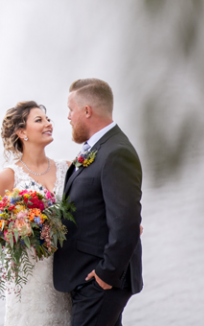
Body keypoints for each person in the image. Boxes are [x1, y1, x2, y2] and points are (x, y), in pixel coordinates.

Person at [53, 78, 143, 326]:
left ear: (87, 111)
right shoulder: (97, 149)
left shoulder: (116, 153)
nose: (68, 117)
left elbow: (126, 222)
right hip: (88, 278)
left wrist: (107, 274)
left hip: (101, 282)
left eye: (71, 110)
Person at [0, 101, 72, 326]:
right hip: (30, 281)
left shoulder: (68, 168)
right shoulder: (8, 177)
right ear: (22, 132)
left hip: (66, 274)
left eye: (48, 119)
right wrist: (21, 228)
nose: (48, 124)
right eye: (39, 120)